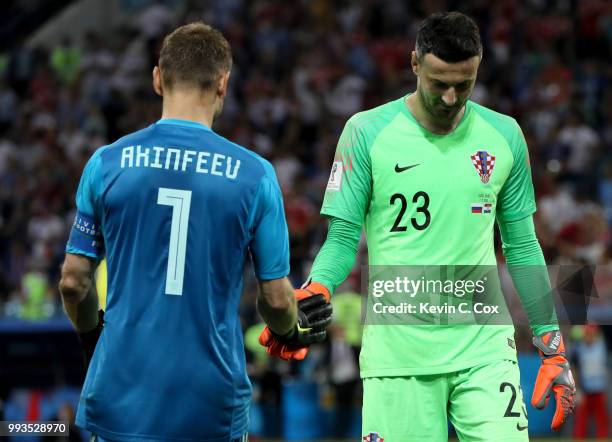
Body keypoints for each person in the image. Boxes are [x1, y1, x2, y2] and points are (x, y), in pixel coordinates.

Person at [260, 12, 576, 441]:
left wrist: (551, 344)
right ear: (414, 64)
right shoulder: (366, 132)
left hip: (483, 349)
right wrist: (318, 288)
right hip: (398, 356)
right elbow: (342, 237)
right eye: (438, 83)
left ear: (479, 68)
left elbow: (522, 246)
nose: (450, 97)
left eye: (463, 84)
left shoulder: (505, 136)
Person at [58, 22, 332, 442]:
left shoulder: (106, 163)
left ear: (156, 78)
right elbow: (276, 299)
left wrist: (93, 339)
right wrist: (290, 331)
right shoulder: (255, 175)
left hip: (120, 396)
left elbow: (74, 283)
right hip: (210, 402)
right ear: (223, 83)